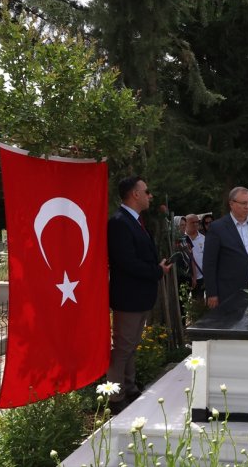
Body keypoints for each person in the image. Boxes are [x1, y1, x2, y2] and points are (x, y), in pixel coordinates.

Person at [107, 176, 172, 413]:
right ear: (135, 194)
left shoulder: (134, 220)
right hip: (128, 296)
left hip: (139, 296)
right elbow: (126, 261)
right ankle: (115, 398)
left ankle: (130, 387)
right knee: (123, 347)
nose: (150, 195)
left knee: (131, 345)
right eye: (147, 191)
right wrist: (157, 270)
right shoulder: (119, 222)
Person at [203, 187, 248, 309]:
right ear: (231, 204)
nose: (247, 206)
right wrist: (212, 293)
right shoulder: (217, 228)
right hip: (229, 290)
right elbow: (209, 263)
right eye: (243, 203)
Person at [182, 214, 206, 316]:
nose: (196, 224)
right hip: (186, 276)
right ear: (186, 223)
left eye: (197, 222)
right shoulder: (182, 238)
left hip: (201, 276)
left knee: (199, 302)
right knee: (183, 302)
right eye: (193, 222)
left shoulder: (203, 239)